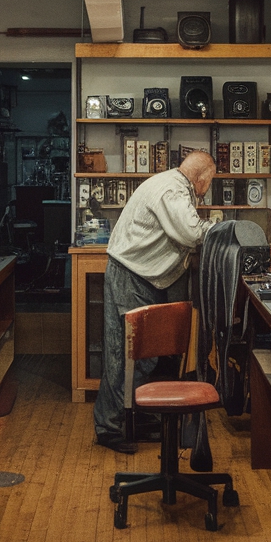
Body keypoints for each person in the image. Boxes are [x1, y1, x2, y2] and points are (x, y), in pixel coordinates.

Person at [93, 150, 217, 453]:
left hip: (140, 277)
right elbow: (190, 233)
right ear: (202, 179)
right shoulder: (172, 189)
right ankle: (110, 428)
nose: (208, 189)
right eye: (210, 182)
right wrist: (217, 226)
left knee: (141, 355)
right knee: (126, 356)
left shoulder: (172, 184)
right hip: (132, 278)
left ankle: (131, 416)